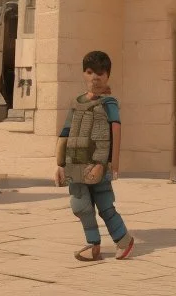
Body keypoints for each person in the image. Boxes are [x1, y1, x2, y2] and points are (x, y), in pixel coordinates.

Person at [55, 50, 134, 261]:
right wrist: (60, 164)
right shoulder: (76, 102)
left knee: (105, 206)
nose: (95, 78)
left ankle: (124, 240)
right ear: (84, 73)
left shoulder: (109, 104)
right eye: (90, 72)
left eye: (100, 73)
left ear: (107, 76)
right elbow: (66, 132)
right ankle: (93, 244)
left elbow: (115, 131)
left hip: (98, 164)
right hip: (75, 163)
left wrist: (109, 164)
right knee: (81, 206)